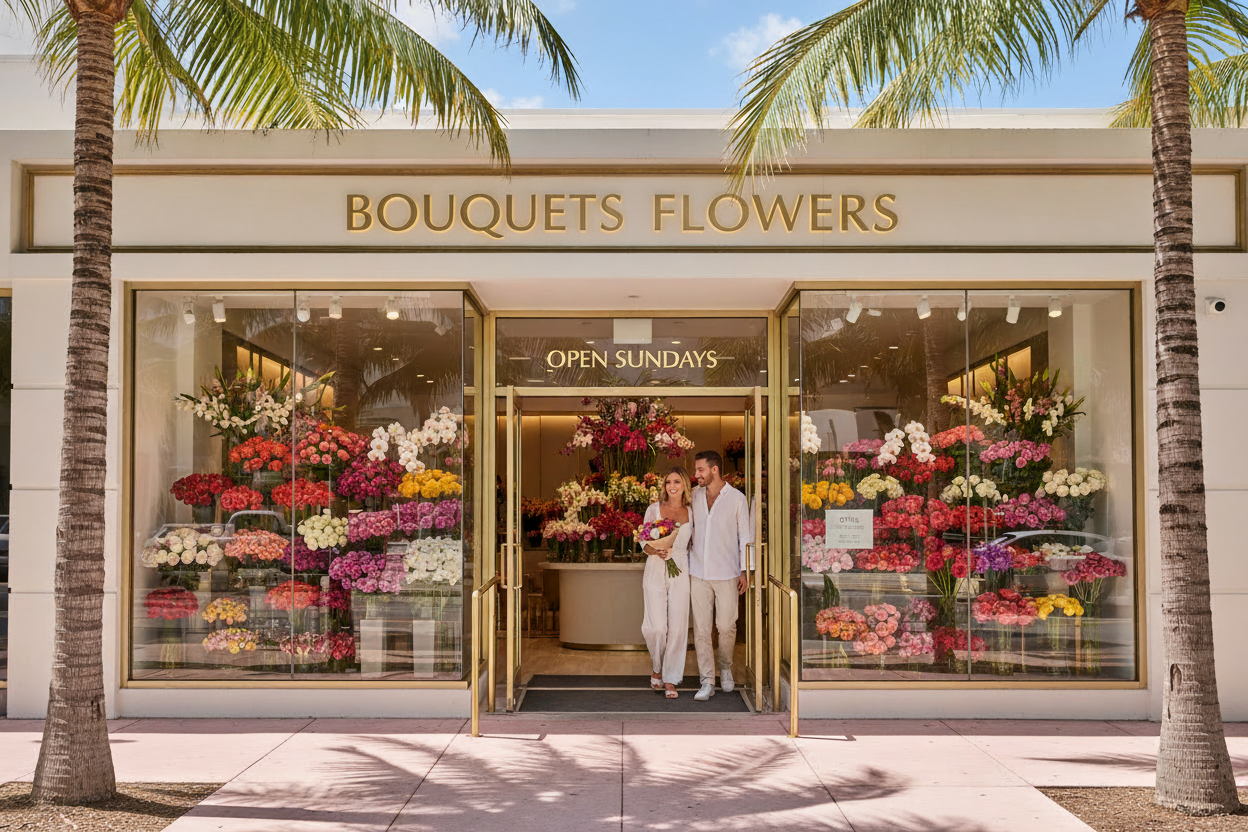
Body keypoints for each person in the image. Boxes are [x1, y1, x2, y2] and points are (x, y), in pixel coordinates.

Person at [688, 449, 752, 701]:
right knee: (702, 630)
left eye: (700, 469)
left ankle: (725, 668)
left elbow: (745, 536)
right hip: (697, 572)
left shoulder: (737, 498)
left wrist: (745, 570)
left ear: (714, 470)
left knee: (726, 626)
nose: (696, 474)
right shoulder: (693, 495)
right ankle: (707, 680)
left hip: (727, 572)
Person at [640, 467, 693, 699]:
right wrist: (656, 551)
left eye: (677, 482)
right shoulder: (653, 509)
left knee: (678, 627)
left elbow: (695, 543)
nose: (672, 486)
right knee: (657, 627)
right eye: (668, 482)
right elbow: (643, 541)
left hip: (680, 569)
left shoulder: (692, 512)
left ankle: (671, 678)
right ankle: (657, 665)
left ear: (684, 485)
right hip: (655, 568)